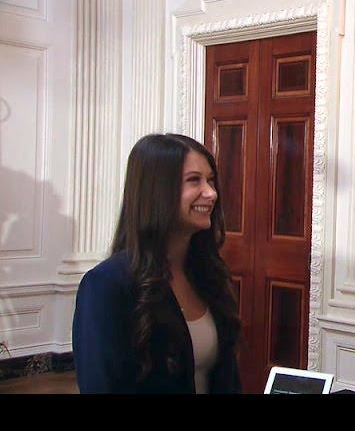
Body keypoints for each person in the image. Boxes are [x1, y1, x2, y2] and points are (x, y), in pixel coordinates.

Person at [72, 133, 242, 393]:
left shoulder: (209, 273)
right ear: (157, 191)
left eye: (210, 180)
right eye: (194, 180)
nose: (211, 193)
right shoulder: (107, 285)